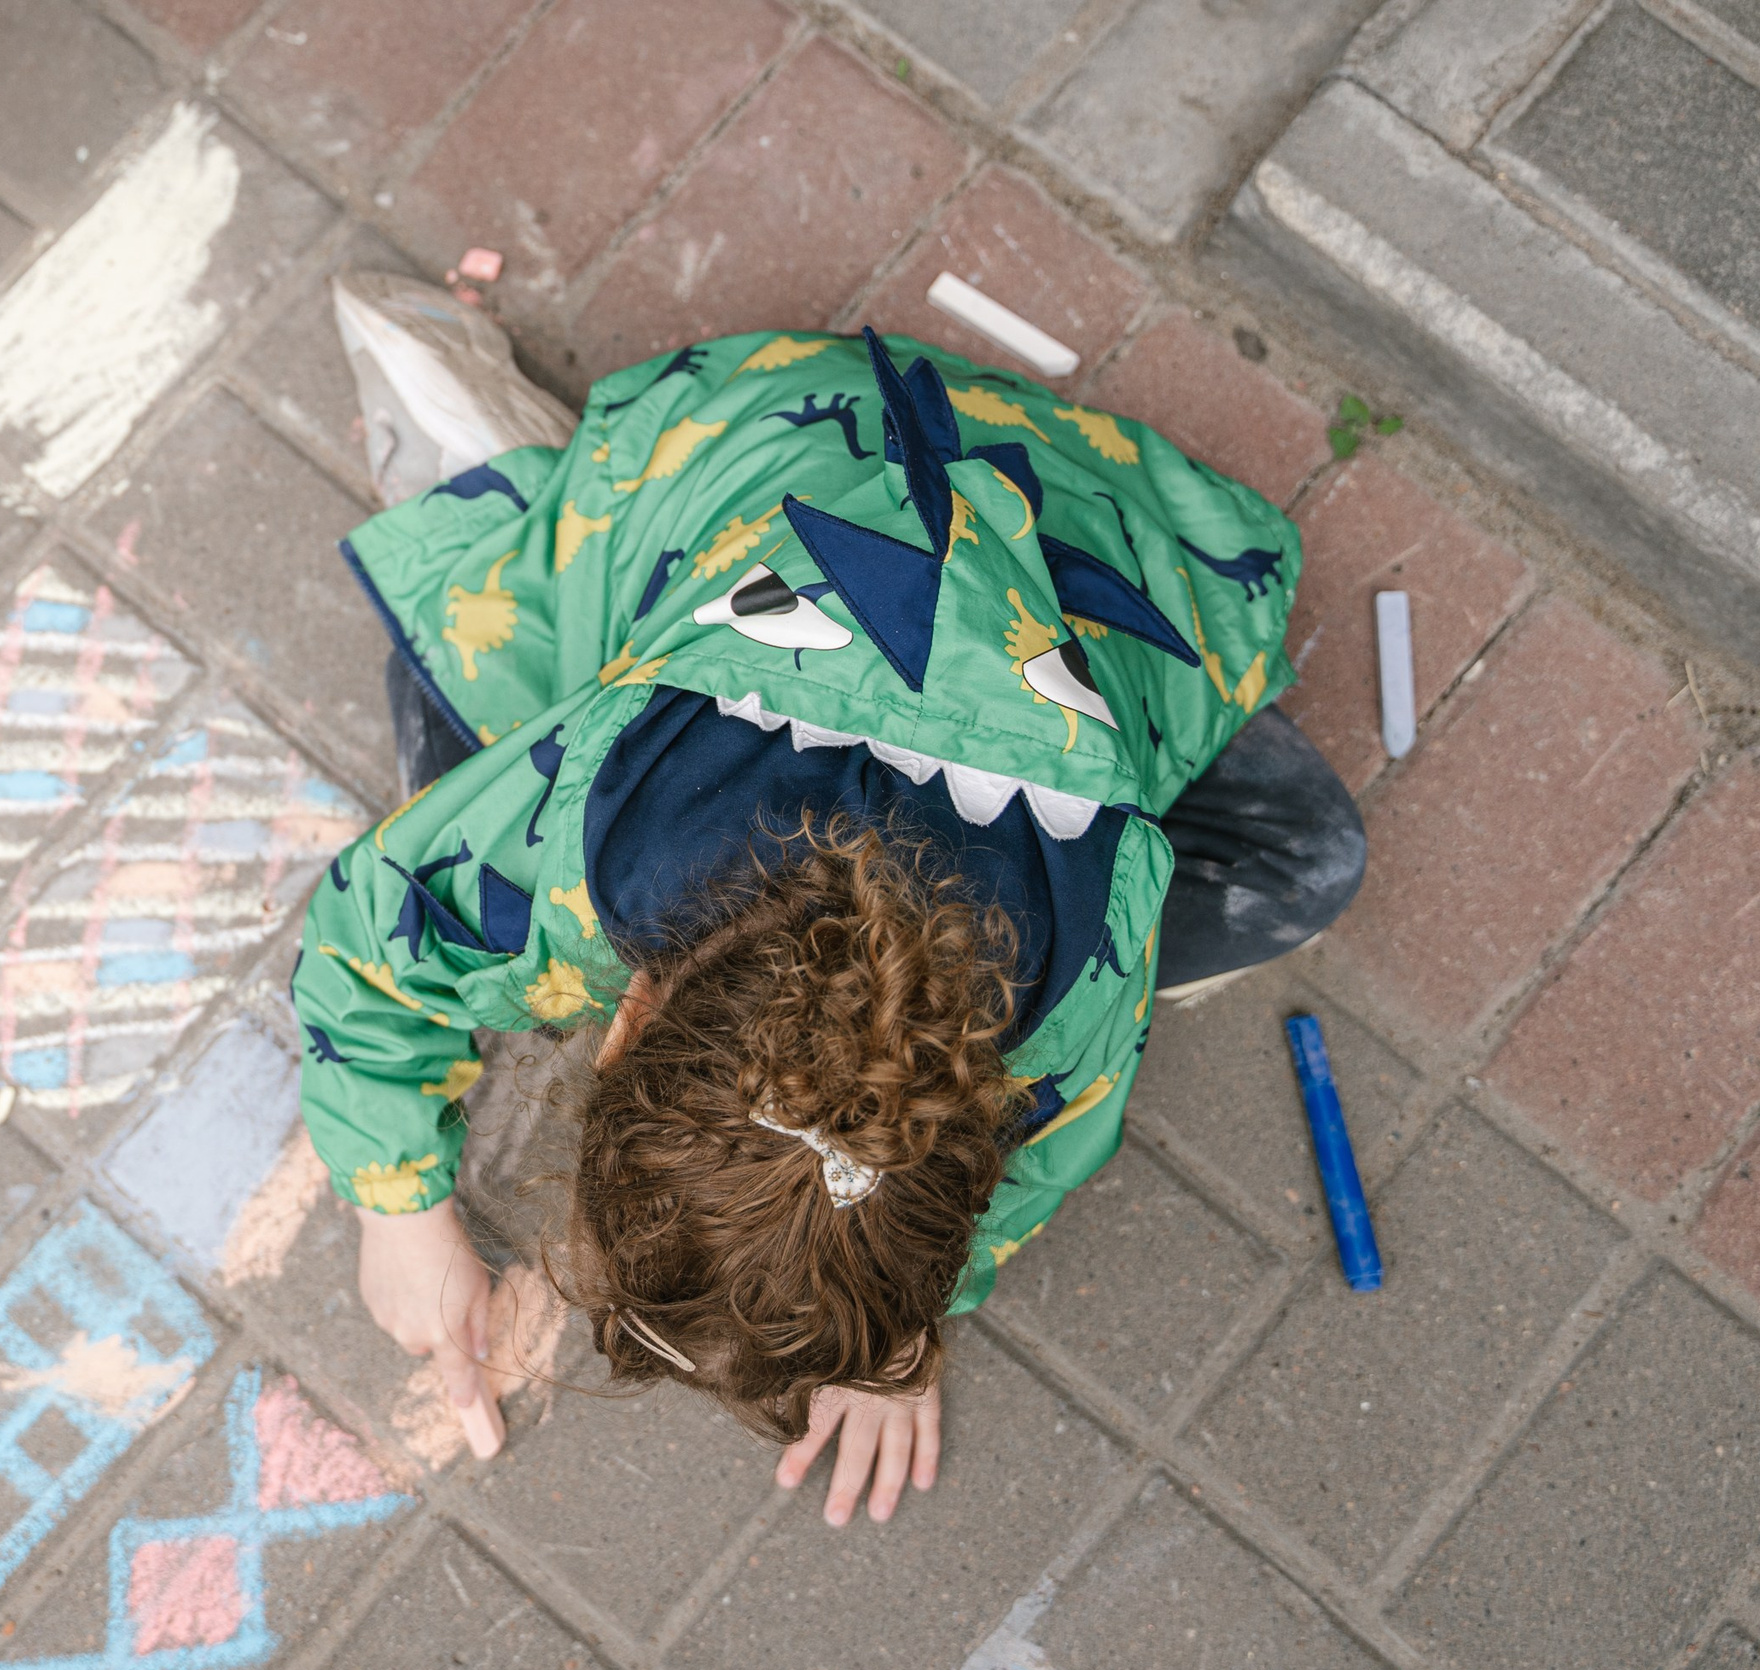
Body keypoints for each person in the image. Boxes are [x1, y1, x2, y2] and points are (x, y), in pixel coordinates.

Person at [294, 276, 1364, 1526]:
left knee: (1310, 861)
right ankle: (485, 499)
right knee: (460, 783)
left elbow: (1046, 1148)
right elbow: (374, 935)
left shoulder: (1069, 997)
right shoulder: (604, 839)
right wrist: (397, 1209)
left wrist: (907, 1336)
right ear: (627, 1024)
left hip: (993, 509)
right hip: (794, 466)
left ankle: (492, 497)